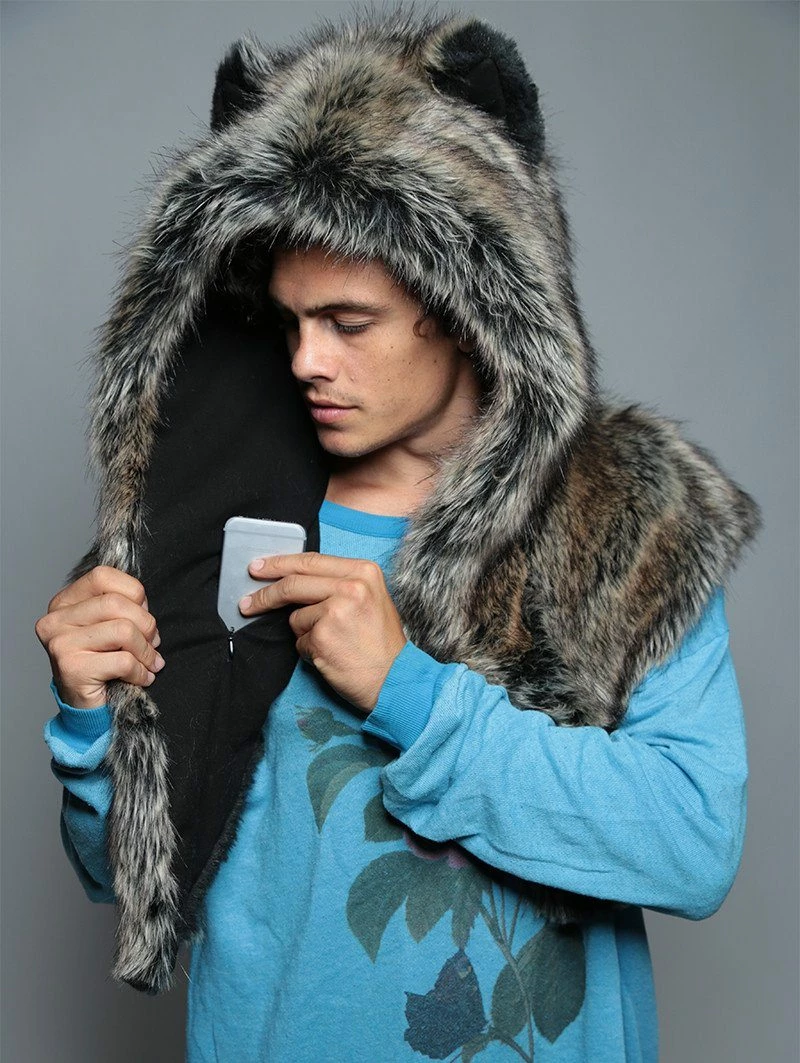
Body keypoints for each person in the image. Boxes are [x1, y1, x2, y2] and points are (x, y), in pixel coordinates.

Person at [36, 9, 759, 1062]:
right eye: (289, 321)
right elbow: (128, 872)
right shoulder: (212, 524)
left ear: (466, 304)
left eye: (348, 322)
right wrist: (88, 721)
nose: (304, 361)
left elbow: (692, 842)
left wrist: (407, 692)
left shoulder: (626, 520)